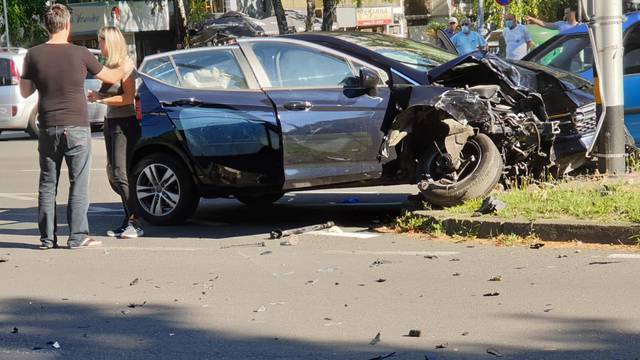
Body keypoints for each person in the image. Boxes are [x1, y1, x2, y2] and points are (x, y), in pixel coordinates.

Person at [20, 4, 131, 249]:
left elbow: (26, 91)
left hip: (48, 126)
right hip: (77, 126)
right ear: (68, 25)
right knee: (78, 182)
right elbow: (111, 78)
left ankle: (47, 239)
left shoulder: (33, 54)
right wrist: (125, 63)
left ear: (46, 26)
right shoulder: (80, 53)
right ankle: (78, 236)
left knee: (47, 184)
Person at [87, 26, 143, 239]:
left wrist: (101, 99)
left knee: (121, 173)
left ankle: (135, 222)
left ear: (110, 42)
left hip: (124, 123)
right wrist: (97, 95)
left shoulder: (126, 65)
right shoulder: (111, 67)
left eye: (101, 41)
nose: (99, 45)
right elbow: (110, 92)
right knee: (114, 173)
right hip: (111, 122)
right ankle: (127, 219)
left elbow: (128, 98)